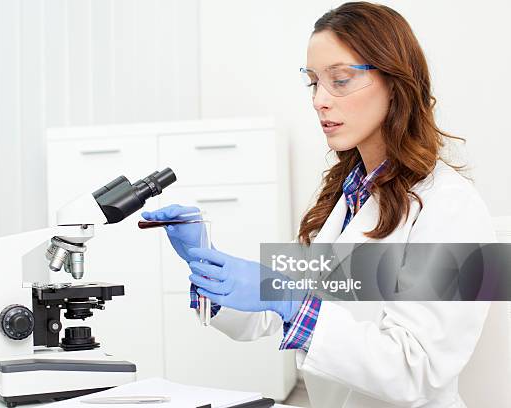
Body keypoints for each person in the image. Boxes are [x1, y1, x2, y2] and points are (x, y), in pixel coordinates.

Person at [142, 2, 495, 407]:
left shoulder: (451, 207)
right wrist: (207, 263)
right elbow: (268, 317)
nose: (319, 100)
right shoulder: (346, 196)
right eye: (313, 82)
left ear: (396, 82)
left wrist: (288, 299)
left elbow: (417, 371)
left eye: (340, 80)